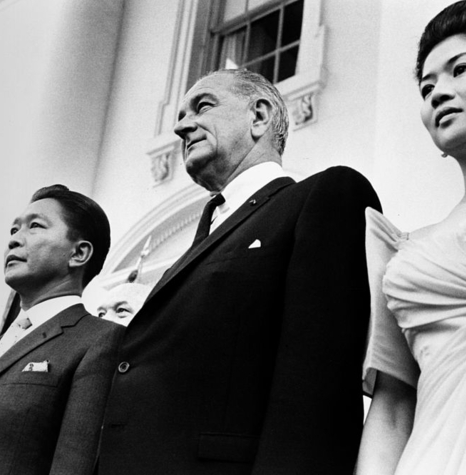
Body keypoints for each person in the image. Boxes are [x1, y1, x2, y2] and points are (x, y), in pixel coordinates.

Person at [98, 69, 381, 474]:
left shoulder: (321, 198)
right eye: (180, 114)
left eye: (203, 106)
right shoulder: (202, 241)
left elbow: (317, 396)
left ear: (259, 117)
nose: (180, 126)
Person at [356, 0, 466, 475]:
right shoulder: (404, 251)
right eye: (427, 86)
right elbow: (394, 406)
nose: (440, 93)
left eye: (460, 70)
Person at [0, 185, 124, 474]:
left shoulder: (98, 340)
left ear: (79, 253)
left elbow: (75, 463)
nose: (14, 241)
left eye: (34, 226)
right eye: (13, 230)